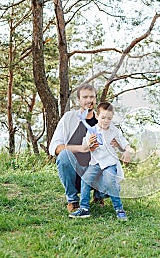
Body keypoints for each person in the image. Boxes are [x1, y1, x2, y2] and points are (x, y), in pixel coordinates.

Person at [49, 84, 115, 213]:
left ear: (96, 100)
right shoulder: (68, 118)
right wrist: (83, 148)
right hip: (76, 172)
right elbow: (55, 147)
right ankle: (73, 201)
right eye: (85, 97)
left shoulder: (103, 121)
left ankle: (99, 196)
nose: (89, 100)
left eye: (92, 97)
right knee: (63, 155)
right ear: (78, 100)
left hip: (95, 173)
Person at [69, 102, 133, 221]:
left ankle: (119, 209)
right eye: (103, 118)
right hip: (95, 162)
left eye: (109, 118)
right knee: (85, 180)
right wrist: (89, 143)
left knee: (110, 182)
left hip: (109, 162)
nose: (106, 121)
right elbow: (85, 146)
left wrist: (128, 151)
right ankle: (84, 208)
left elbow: (125, 144)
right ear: (97, 117)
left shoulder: (114, 131)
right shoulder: (92, 130)